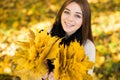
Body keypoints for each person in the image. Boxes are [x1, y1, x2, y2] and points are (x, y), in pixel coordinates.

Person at [42, 0, 96, 79]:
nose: (70, 19)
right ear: (61, 13)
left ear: (84, 20)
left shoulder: (87, 47)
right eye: (67, 12)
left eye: (77, 16)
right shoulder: (48, 33)